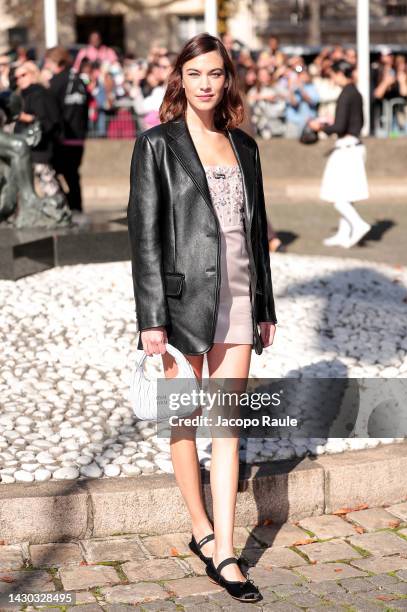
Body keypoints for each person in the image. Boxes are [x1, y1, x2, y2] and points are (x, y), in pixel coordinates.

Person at [127, 32, 277, 602]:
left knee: (227, 426)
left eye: (215, 73)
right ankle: (201, 528)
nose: (206, 83)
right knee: (184, 420)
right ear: (180, 81)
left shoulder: (246, 148)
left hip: (239, 296)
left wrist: (265, 305)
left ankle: (227, 553)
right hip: (181, 302)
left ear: (227, 79)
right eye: (195, 74)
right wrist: (150, 319)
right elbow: (144, 238)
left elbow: (257, 233)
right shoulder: (156, 146)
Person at [309, 60, 371, 248]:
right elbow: (355, 122)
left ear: (339, 73)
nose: (332, 79)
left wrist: (320, 126)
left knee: (336, 194)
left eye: (333, 75)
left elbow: (340, 126)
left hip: (346, 148)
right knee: (346, 194)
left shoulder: (346, 94)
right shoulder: (356, 92)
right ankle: (344, 234)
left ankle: (359, 225)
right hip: (354, 145)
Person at [45, 47, 89, 215]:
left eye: (48, 61)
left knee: (50, 172)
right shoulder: (79, 80)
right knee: (72, 174)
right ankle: (76, 206)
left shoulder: (56, 82)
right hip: (78, 137)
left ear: (55, 62)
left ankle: (68, 205)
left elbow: (52, 110)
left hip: (63, 138)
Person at [14, 61, 66, 203]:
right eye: (16, 77)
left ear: (32, 74)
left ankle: (60, 209)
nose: (19, 80)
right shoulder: (23, 95)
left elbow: (47, 120)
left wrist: (24, 117)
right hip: (26, 147)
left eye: (23, 75)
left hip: (41, 147)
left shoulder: (40, 93)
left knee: (47, 181)